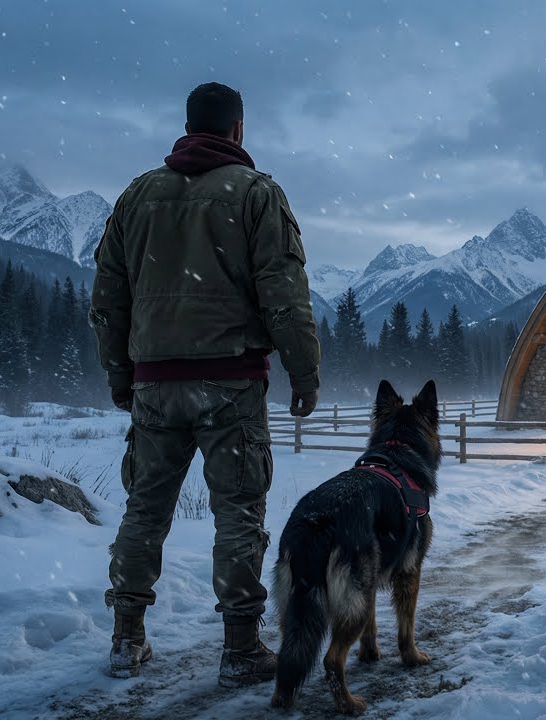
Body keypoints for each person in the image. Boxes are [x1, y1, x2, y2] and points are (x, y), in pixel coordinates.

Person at [89, 81, 320, 686]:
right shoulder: (256, 195)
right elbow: (284, 292)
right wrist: (304, 371)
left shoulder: (137, 197)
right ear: (238, 130)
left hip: (154, 385)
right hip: (230, 382)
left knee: (145, 509)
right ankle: (241, 649)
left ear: (189, 126)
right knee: (239, 512)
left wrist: (122, 374)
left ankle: (127, 638)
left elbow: (107, 299)